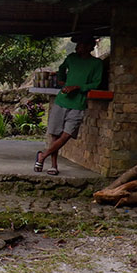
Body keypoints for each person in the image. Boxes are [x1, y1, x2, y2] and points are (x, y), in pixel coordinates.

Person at [35, 34, 103, 176]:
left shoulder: (96, 64)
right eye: (77, 44)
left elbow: (96, 83)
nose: (78, 47)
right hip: (62, 101)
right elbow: (61, 69)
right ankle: (53, 165)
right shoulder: (71, 58)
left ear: (90, 47)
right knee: (55, 134)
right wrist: (62, 81)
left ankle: (43, 156)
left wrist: (78, 87)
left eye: (81, 44)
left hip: (78, 103)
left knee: (66, 135)